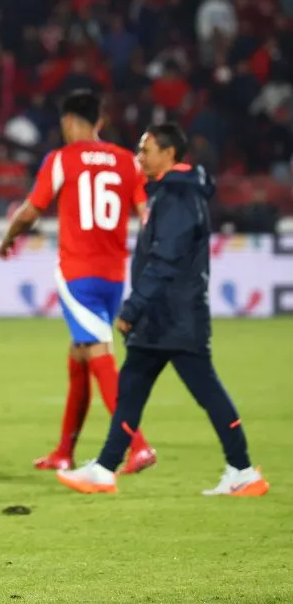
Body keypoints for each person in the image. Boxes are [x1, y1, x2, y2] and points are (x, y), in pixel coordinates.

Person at [58, 124, 270, 496]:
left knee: (206, 392)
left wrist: (133, 308)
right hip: (163, 319)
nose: (139, 157)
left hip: (173, 317)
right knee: (131, 390)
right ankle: (106, 468)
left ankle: (243, 470)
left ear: (169, 153)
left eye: (146, 149)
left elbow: (166, 261)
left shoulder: (176, 196)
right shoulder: (172, 193)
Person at [0, 89, 156, 474]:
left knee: (97, 352)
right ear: (99, 121)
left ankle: (137, 445)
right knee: (79, 356)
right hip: (115, 274)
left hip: (77, 273)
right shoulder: (127, 162)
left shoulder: (61, 159)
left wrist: (8, 238)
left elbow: (32, 210)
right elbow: (147, 215)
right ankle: (64, 451)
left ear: (68, 121)